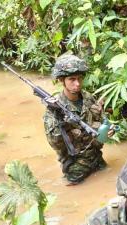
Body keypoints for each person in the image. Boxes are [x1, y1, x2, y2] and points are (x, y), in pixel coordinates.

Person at [43, 54, 113, 185]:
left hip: (97, 157)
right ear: (61, 80)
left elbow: (102, 120)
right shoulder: (54, 110)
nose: (77, 83)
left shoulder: (88, 97)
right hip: (76, 165)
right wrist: (62, 121)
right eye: (72, 79)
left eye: (80, 78)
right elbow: (55, 144)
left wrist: (108, 130)